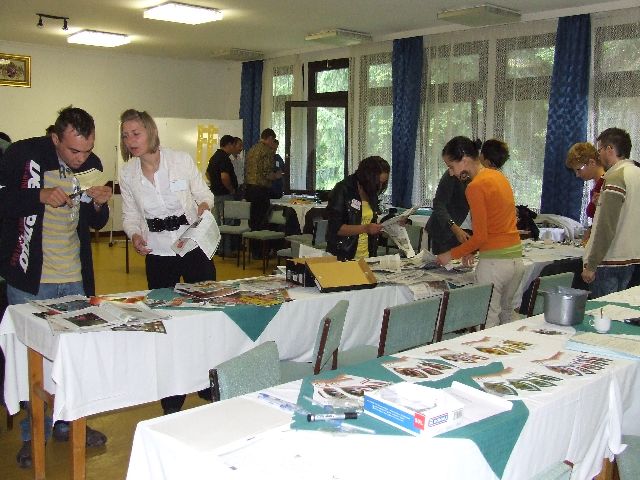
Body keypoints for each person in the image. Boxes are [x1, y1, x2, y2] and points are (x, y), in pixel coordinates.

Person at [0, 106, 112, 468]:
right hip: (31, 281)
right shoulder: (22, 155)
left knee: (72, 359)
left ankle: (68, 422)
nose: (81, 158)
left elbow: (94, 222)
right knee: (31, 362)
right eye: (74, 151)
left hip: (74, 277)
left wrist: (100, 205)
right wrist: (38, 196)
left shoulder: (90, 164)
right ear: (55, 138)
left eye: (87, 150)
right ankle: (33, 434)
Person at [118, 109, 215, 414]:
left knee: (206, 314)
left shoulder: (180, 160)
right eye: (125, 135)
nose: (130, 140)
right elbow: (130, 215)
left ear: (150, 132)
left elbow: (205, 194)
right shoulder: (128, 173)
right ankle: (172, 393)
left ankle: (207, 380)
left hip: (192, 246)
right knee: (166, 321)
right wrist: (134, 235)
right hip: (159, 253)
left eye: (136, 133)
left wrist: (203, 207)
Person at [436, 136, 524, 328]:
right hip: (516, 260)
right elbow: (495, 225)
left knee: (486, 321)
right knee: (507, 315)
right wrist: (471, 249)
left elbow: (481, 236)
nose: (451, 173)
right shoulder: (499, 177)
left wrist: (450, 254)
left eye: (451, 166)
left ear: (464, 159)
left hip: (495, 264)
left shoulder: (475, 187)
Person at [582, 128, 640, 298]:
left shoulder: (615, 177)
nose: (598, 155)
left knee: (601, 310)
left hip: (609, 260)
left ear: (610, 149)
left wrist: (591, 265)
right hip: (632, 258)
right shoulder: (636, 173)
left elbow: (606, 226)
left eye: (599, 149)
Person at [426, 138, 510, 255]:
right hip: (445, 232)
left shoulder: (487, 179)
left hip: (469, 233)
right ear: (483, 158)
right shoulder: (455, 173)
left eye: (496, 167)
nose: (492, 170)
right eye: (490, 165)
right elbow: (438, 204)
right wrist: (455, 228)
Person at [326, 156, 389, 260]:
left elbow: (369, 221)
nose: (380, 186)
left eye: (383, 183)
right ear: (368, 177)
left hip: (367, 255)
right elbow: (335, 228)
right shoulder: (342, 190)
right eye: (378, 182)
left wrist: (389, 225)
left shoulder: (371, 191)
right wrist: (365, 228)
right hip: (344, 255)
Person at [566, 142, 605, 244]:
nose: (577, 175)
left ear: (592, 162)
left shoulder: (605, 185)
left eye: (579, 170)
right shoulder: (597, 186)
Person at [244, 128, 282, 231]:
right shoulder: (266, 150)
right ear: (270, 138)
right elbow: (267, 173)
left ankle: (251, 241)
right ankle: (260, 241)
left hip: (249, 189)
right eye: (273, 140)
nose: (273, 143)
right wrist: (276, 176)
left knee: (253, 221)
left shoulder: (251, 150)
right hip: (260, 191)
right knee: (262, 222)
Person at [207, 134, 240, 226]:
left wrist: (215, 182)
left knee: (217, 222)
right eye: (233, 145)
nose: (234, 148)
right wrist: (231, 189)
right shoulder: (224, 158)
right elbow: (224, 177)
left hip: (215, 193)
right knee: (228, 223)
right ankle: (227, 236)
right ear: (229, 145)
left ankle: (219, 236)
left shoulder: (214, 157)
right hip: (225, 194)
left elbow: (207, 173)